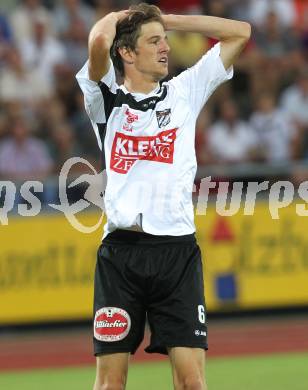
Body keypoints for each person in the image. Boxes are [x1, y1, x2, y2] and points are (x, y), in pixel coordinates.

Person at [76, 3, 250, 389]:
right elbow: (99, 38)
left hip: (177, 256)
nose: (165, 48)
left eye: (165, 41)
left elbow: (240, 32)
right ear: (126, 53)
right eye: (153, 42)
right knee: (110, 384)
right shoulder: (105, 99)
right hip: (120, 257)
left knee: (192, 383)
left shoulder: (185, 90)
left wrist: (166, 21)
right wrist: (131, 14)